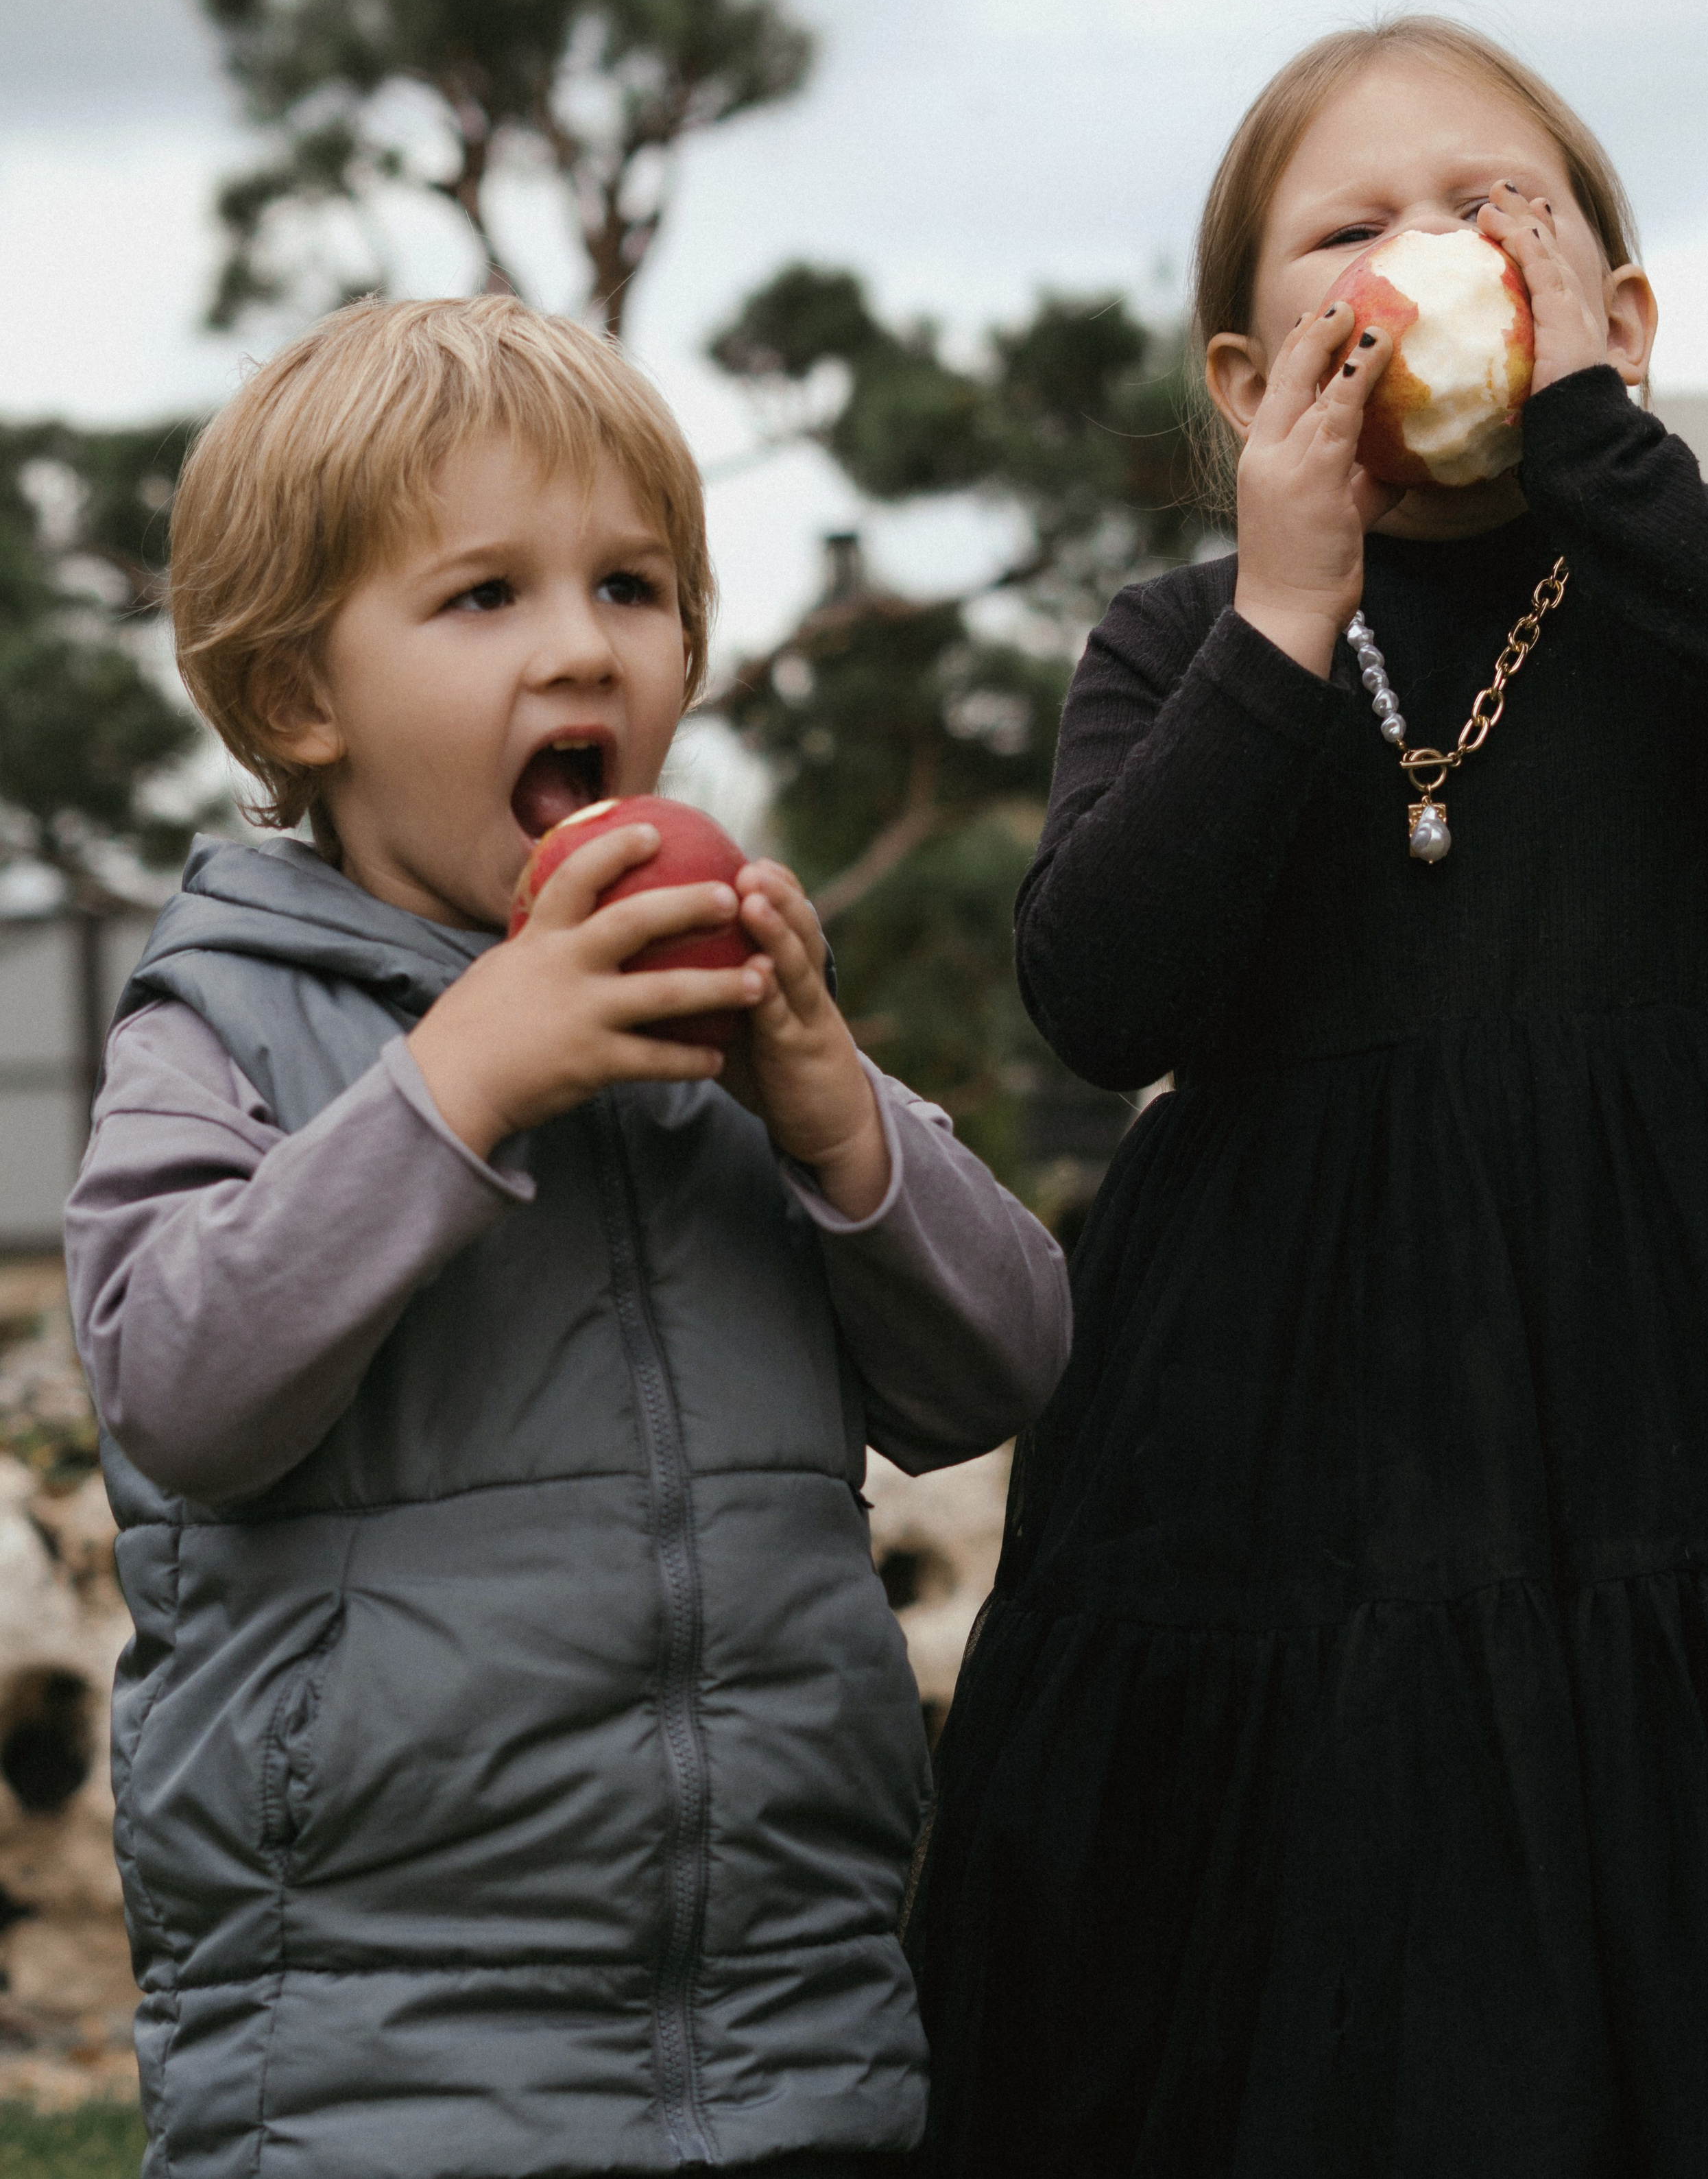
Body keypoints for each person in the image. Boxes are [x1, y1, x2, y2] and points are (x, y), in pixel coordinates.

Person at [63, 296, 1071, 2179]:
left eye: (630, 585)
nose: (580, 646)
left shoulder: (731, 1034)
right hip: (379, 2067)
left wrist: (839, 1113)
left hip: (791, 2037)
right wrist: (455, 1088)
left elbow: (1001, 1366)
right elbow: (179, 1385)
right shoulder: (231, 1026)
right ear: (301, 700)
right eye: (484, 599)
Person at [908, 16, 1708, 2176]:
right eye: (1349, 229)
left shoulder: (1678, 581)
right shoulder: (1182, 635)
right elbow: (1101, 991)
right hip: (1284, 1446)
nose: (1426, 254)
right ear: (1238, 381)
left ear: (1622, 319)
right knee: (1305, 1970)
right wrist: (1286, 608)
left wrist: (1598, 453)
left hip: (1674, 1401)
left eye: (1490, 212)